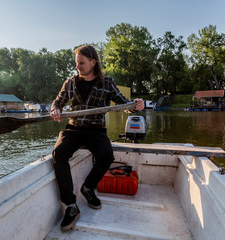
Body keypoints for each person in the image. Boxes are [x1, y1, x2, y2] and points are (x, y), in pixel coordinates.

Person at [50, 44, 144, 231]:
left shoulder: (107, 83)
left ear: (93, 62)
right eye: (77, 63)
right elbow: (57, 101)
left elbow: (123, 104)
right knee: (59, 153)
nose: (78, 66)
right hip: (74, 129)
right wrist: (55, 109)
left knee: (106, 156)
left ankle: (88, 187)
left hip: (96, 130)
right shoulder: (70, 82)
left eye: (82, 62)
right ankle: (71, 205)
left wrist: (136, 105)